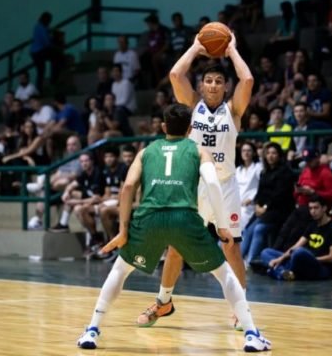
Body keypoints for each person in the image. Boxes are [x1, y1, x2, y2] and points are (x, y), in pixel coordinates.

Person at [76, 104, 271, 352]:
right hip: (185, 218)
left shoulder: (146, 151)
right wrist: (222, 226)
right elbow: (212, 185)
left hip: (149, 218)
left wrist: (123, 231)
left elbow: (127, 188)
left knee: (120, 270)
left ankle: (92, 330)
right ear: (190, 129)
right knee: (225, 275)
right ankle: (252, 335)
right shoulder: (199, 151)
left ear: (164, 127)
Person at [137, 32, 254, 330]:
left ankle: (241, 307)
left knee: (231, 248)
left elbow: (248, 80)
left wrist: (232, 51)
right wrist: (195, 48)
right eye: (209, 81)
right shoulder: (191, 105)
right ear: (201, 86)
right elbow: (176, 73)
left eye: (218, 81)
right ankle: (164, 302)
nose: (213, 85)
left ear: (225, 86)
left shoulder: (234, 110)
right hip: (194, 187)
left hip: (225, 186)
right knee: (176, 247)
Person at [262, 195, 332, 281]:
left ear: (324, 208)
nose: (313, 211)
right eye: (310, 208)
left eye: (316, 208)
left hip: (320, 267)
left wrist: (310, 260)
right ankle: (284, 273)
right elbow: (296, 245)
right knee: (266, 252)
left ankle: (278, 271)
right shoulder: (312, 225)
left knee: (299, 252)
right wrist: (280, 259)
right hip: (302, 262)